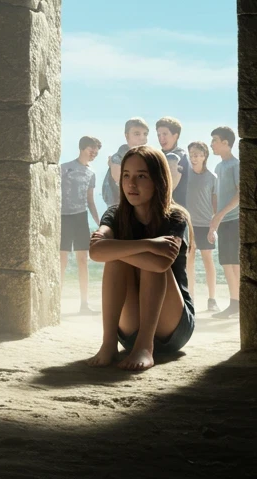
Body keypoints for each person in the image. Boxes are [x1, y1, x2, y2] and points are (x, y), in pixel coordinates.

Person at [85, 144, 195, 372]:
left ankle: (146, 347)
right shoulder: (115, 214)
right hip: (129, 331)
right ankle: (108, 344)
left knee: (144, 262)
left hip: (173, 328)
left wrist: (122, 248)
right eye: (126, 175)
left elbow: (161, 262)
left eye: (141, 176)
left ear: (158, 180)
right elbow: (96, 251)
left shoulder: (175, 216)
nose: (131, 184)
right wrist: (148, 244)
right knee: (116, 258)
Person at [60, 136, 101, 314]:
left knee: (83, 260)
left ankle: (84, 304)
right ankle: (57, 301)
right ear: (82, 148)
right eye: (92, 150)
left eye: (96, 151)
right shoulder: (64, 168)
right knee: (62, 260)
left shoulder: (91, 173)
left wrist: (100, 223)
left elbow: (90, 201)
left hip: (81, 218)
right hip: (63, 217)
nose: (94, 154)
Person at [209, 126, 240, 319]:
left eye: (215, 140)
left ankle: (237, 303)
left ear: (226, 143)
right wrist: (215, 218)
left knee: (234, 263)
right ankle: (235, 303)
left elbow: (240, 194)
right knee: (226, 263)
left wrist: (220, 215)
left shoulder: (236, 165)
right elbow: (217, 194)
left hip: (234, 219)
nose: (212, 144)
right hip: (223, 220)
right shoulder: (218, 167)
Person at [185, 140, 220, 312]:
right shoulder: (185, 175)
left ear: (205, 156)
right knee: (189, 260)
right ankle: (190, 297)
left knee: (208, 260)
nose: (194, 158)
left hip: (206, 224)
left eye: (198, 155)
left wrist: (213, 227)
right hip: (189, 225)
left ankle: (212, 299)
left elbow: (216, 204)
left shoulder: (212, 177)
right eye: (192, 154)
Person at [101, 117, 149, 210]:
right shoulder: (118, 158)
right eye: (137, 134)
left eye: (145, 134)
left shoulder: (143, 157)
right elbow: (120, 181)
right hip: (119, 206)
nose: (142, 138)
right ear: (127, 136)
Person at [156, 115, 189, 207]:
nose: (161, 138)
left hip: (175, 210)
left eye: (165, 134)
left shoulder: (180, 157)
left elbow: (167, 189)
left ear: (176, 136)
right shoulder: (158, 155)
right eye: (159, 135)